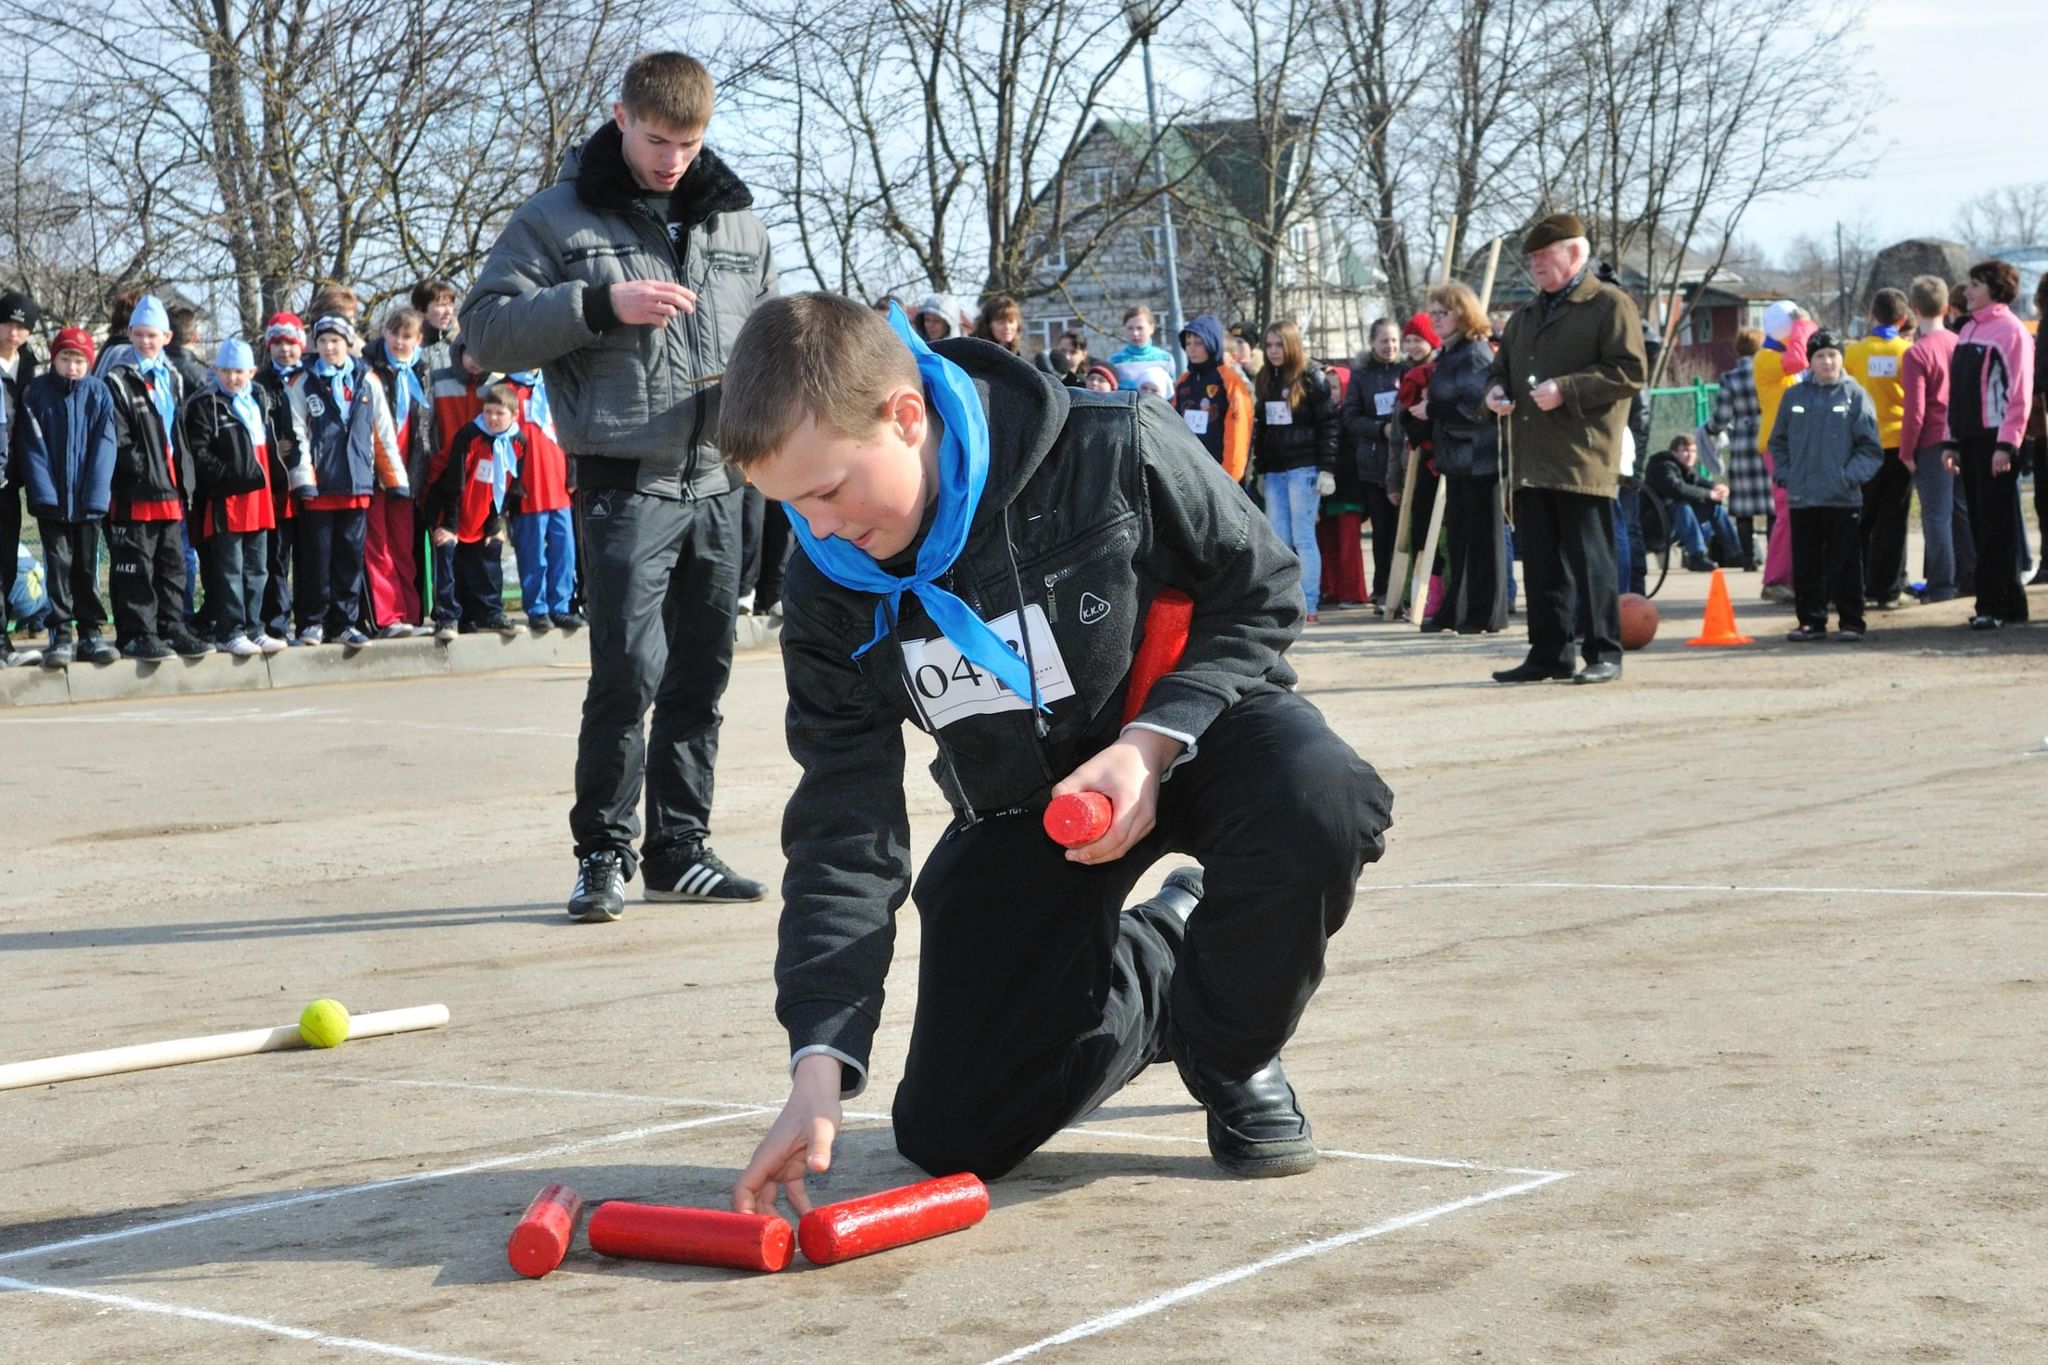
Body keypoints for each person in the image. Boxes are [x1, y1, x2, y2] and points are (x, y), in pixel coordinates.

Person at [717, 292, 1393, 1209]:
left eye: (828, 489)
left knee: (1319, 796)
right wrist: (819, 1060)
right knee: (953, 1133)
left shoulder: (1106, 442)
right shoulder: (828, 584)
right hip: (1027, 807)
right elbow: (846, 823)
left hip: (1194, 732)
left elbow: (1264, 586)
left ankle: (1230, 1048)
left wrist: (1151, 743)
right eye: (789, 508)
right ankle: (1163, 962)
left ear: (905, 417)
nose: (819, 529)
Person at [461, 49, 775, 919]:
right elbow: (485, 333)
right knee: (628, 673)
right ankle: (603, 853)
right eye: (658, 137)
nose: (674, 156)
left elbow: (770, 343)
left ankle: (682, 848)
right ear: (619, 116)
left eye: (690, 140)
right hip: (622, 483)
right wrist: (598, 305)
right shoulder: (556, 219)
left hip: (721, 481)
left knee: (702, 675)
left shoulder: (739, 224)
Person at [1484, 212, 1647, 685]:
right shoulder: (1527, 314)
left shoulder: (1609, 305)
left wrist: (1567, 389)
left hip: (1582, 459)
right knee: (1541, 565)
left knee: (1591, 563)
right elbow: (1500, 367)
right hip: (1532, 460)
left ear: (1575, 252)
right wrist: (1494, 393)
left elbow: (1629, 372)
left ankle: (1604, 652)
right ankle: (1549, 654)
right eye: (1532, 257)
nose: (1535, 264)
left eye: (1543, 255)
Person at [284, 315, 405, 648]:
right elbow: (298, 434)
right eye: (323, 341)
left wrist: (394, 477)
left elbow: (382, 432)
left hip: (356, 483)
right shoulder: (302, 383)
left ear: (348, 343)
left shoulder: (368, 380)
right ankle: (312, 622)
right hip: (320, 488)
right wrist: (304, 478)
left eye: (335, 341)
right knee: (316, 560)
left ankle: (345, 622)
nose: (329, 347)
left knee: (349, 559)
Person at [104, 296, 209, 660]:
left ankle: (172, 625)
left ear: (166, 336)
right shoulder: (117, 379)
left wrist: (184, 477)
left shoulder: (174, 377)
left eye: (152, 335)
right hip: (137, 491)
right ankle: (137, 633)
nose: (145, 341)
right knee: (136, 566)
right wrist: (141, 472)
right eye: (139, 334)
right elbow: (119, 439)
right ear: (130, 334)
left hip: (171, 489)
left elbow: (177, 431)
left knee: (172, 563)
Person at [1770, 330, 1883, 641]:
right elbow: (1777, 442)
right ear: (1810, 361)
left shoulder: (1855, 396)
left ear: (1841, 358)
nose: (1827, 361)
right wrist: (1787, 474)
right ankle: (1811, 621)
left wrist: (1848, 476)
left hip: (1842, 498)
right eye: (1820, 356)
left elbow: (1870, 448)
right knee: (1806, 564)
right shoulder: (1793, 397)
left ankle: (1851, 621)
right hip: (1803, 497)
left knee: (1845, 563)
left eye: (1832, 355)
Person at [1942, 259, 2036, 629]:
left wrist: (2007, 444)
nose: (1967, 291)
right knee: (1982, 524)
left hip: (1997, 441)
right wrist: (1950, 440)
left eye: (1975, 285)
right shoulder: (1966, 330)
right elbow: (1957, 391)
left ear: (1995, 290)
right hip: (1969, 439)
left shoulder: (2011, 331)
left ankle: (1991, 605)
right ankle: (2011, 603)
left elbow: (2019, 393)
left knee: (1996, 525)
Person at [19, 327, 120, 666]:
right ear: (54, 358)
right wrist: (43, 494)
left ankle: (90, 632)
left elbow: (106, 446)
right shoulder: (37, 393)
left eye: (79, 360)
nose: (72, 367)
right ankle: (60, 634)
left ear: (88, 362)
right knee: (58, 567)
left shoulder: (99, 393)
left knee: (86, 568)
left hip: (88, 503)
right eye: (66, 358)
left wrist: (96, 495)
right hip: (53, 503)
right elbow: (32, 447)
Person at [182, 338, 286, 656]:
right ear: (215, 370)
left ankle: (255, 627)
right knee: (230, 568)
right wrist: (230, 475)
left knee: (258, 567)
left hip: (259, 496)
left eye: (239, 371)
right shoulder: (206, 403)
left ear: (252, 372)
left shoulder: (258, 399)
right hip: (227, 499)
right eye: (225, 370)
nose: (232, 378)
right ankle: (231, 629)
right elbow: (199, 453)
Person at [1421, 282, 1507, 634]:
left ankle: (1483, 612)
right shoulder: (1451, 352)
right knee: (1459, 537)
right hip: (1457, 457)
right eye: (1434, 313)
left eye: (1443, 312)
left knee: (1480, 540)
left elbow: (1477, 406)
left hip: (1478, 458)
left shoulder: (1472, 353)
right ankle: (1457, 609)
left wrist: (1433, 408)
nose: (1436, 319)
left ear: (1463, 314)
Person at [1252, 320, 1339, 623]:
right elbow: (1261, 429)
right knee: (1279, 539)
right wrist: (1260, 470)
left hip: (1305, 468)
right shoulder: (1265, 378)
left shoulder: (1312, 377)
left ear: (1292, 345)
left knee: (1303, 538)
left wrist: (1327, 469)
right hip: (1275, 471)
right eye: (1270, 345)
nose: (1274, 351)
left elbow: (1329, 424)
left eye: (1280, 345)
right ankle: (1285, 605)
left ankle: (1310, 604)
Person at [427, 383, 523, 634]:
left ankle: (490, 612)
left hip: (485, 512)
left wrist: (495, 525)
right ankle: (448, 616)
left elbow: (508, 485)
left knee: (488, 557)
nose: (491, 418)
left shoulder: (517, 441)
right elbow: (454, 482)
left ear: (513, 416)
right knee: (449, 556)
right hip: (455, 509)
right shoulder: (469, 435)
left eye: (499, 413)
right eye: (488, 411)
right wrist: (450, 525)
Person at [363, 308, 434, 637]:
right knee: (379, 547)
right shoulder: (369, 371)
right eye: (394, 334)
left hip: (409, 474)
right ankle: (387, 616)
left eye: (407, 337)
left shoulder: (422, 373)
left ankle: (410, 613)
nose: (400, 342)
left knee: (404, 547)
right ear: (384, 333)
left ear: (418, 340)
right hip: (378, 473)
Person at [1899, 274, 1967, 603]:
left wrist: (1906, 450)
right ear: (1947, 306)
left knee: (1936, 515)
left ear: (1914, 308)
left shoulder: (1916, 353)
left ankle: (1941, 585)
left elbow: (1914, 410)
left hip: (1932, 439)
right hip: (1964, 435)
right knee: (1961, 511)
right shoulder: (1960, 342)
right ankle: (1967, 575)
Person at [1845, 289, 1914, 607]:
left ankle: (1856, 585)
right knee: (1894, 518)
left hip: (1863, 443)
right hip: (1899, 443)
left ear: (1872, 315)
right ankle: (1888, 589)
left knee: (1862, 516)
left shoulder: (1855, 353)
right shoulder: (1907, 351)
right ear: (1902, 320)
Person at [499, 367, 578, 631]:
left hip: (559, 485)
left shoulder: (555, 383)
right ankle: (537, 607)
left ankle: (561, 606)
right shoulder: (506, 390)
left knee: (563, 550)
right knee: (532, 552)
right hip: (528, 487)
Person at [427, 339, 494, 638]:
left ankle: (474, 612)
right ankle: (447, 613)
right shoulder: (439, 380)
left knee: (476, 546)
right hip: (445, 473)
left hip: (481, 475)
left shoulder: (495, 383)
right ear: (459, 353)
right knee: (446, 543)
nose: (474, 361)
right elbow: (426, 424)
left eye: (481, 353)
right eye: (469, 353)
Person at [1339, 318, 1405, 612]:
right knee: (1382, 531)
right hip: (1373, 464)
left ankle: (1406, 591)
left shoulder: (1407, 370)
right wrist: (1380, 429)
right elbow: (1350, 416)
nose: (1389, 346)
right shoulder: (1362, 375)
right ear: (1372, 343)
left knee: (1406, 530)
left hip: (1405, 464)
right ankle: (1382, 590)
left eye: (1393, 341)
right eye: (1383, 341)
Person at [1755, 300, 1815, 603]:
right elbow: (1798, 361)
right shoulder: (1766, 357)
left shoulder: (1778, 355)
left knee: (1795, 512)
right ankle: (1776, 578)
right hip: (1779, 447)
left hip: (1793, 444)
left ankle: (1789, 576)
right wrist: (1803, 325)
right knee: (1787, 513)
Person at [255, 314, 307, 643]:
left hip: (309, 481)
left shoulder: (311, 378)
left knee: (310, 556)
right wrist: (276, 445)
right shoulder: (260, 383)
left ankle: (309, 619)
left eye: (291, 343)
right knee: (277, 557)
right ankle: (276, 622)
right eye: (279, 344)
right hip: (275, 485)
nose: (285, 350)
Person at [1386, 313, 1441, 622]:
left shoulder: (1436, 372)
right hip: (1410, 465)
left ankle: (1434, 596)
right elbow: (1397, 436)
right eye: (1408, 340)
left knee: (1436, 536)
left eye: (1418, 339)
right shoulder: (1405, 375)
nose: (1412, 345)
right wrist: (1393, 480)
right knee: (1413, 534)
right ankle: (1411, 597)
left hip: (1435, 464)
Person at [1704, 328, 1769, 571]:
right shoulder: (1767, 372)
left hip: (1742, 441)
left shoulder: (1730, 378)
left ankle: (1748, 559)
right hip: (1768, 437)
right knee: (1772, 504)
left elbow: (1721, 418)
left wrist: (1710, 429)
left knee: (1743, 508)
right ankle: (1775, 559)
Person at [0, 288, 41, 666]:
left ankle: (3, 639)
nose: (14, 333)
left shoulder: (29, 367)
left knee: (6, 562)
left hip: (11, 480)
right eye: (8, 324)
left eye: (21, 327)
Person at [1170, 315, 1251, 484]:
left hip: (1221, 472)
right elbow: (1172, 426)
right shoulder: (1183, 381)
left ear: (1212, 343)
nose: (1192, 348)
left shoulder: (1229, 380)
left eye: (1198, 343)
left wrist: (1231, 475)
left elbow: (1238, 430)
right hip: (1189, 471)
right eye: (1188, 343)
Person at [1646, 433, 1741, 571]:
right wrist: (1710, 494)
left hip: (1675, 527)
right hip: (1656, 530)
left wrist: (1716, 487)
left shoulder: (1686, 469)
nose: (1690, 455)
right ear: (1674, 452)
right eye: (1685, 450)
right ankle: (1697, 556)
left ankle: (1737, 554)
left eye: (1693, 451)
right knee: (1682, 507)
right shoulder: (1662, 467)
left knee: (1714, 508)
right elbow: (1678, 489)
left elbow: (1700, 481)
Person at [1108, 305, 1174, 391]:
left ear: (1152, 328)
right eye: (1130, 328)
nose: (1135, 333)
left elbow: (1172, 393)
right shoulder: (1114, 361)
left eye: (1140, 328)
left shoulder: (1165, 359)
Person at [411, 278, 462, 376]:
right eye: (442, 305)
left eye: (451, 305)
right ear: (421, 309)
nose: (449, 312)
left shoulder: (464, 346)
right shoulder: (407, 345)